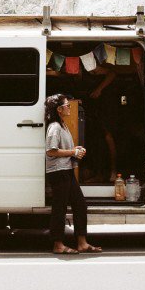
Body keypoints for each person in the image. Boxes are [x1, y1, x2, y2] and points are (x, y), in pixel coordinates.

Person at [45, 94, 102, 254]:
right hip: (58, 171)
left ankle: (82, 242)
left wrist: (75, 150)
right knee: (60, 207)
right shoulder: (55, 126)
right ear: (59, 109)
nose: (70, 107)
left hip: (66, 170)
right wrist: (73, 152)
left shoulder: (62, 125)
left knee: (79, 205)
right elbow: (50, 150)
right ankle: (58, 244)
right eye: (66, 105)